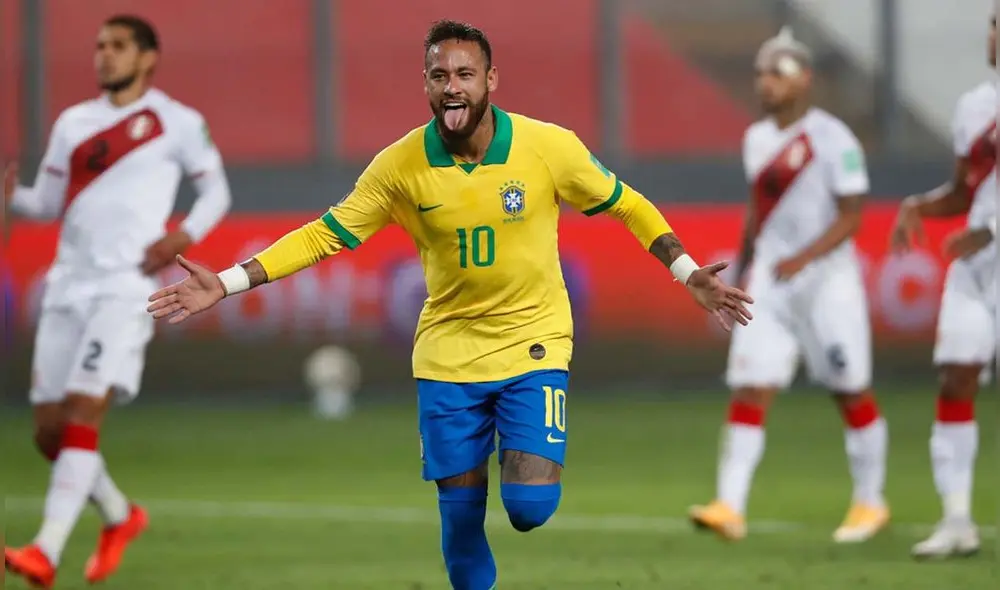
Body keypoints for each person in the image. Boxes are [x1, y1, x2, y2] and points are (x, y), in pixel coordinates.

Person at [147, 19, 752, 590]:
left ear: (491, 81)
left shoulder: (547, 147)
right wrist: (225, 283)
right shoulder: (400, 165)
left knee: (529, 507)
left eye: (465, 74)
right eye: (440, 76)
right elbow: (323, 234)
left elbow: (626, 203)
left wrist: (685, 270)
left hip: (532, 341)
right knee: (461, 527)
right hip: (447, 356)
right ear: (428, 87)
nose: (452, 86)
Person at [4, 15, 232, 588]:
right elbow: (49, 201)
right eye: (99, 46)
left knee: (83, 414)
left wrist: (183, 235)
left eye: (118, 46)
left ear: (148, 57)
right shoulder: (72, 122)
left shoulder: (177, 122)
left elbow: (216, 190)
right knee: (48, 434)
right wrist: (12, 197)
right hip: (66, 284)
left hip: (126, 289)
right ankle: (119, 516)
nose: (104, 55)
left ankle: (45, 552)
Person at [688, 28, 889, 544]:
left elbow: (851, 216)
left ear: (805, 80)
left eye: (777, 72)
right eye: (761, 73)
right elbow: (758, 213)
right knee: (751, 386)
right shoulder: (756, 138)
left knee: (850, 390)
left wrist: (805, 257)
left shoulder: (832, 137)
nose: (766, 82)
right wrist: (745, 270)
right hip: (771, 284)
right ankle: (729, 506)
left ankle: (870, 502)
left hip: (828, 282)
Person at [892, 15, 996, 561]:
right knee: (956, 379)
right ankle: (956, 520)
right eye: (994, 24)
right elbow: (966, 190)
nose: (994, 36)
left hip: (987, 246)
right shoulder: (974, 106)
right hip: (977, 273)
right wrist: (920, 206)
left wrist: (989, 228)